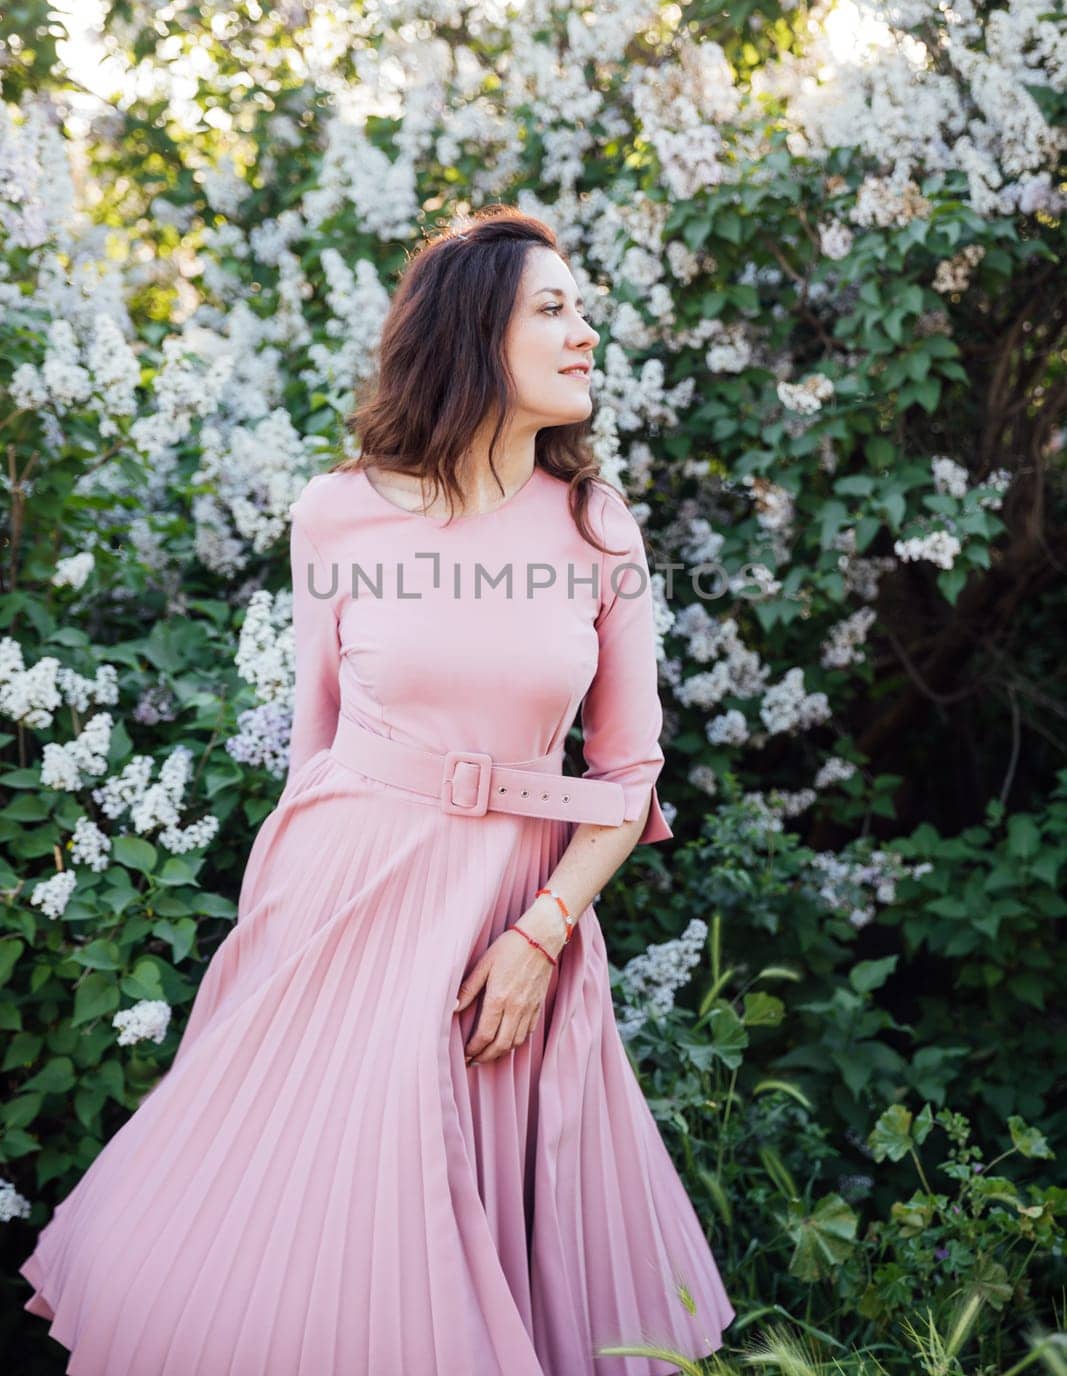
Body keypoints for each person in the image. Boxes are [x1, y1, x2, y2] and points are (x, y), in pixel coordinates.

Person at [19, 206, 735, 1374]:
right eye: (551, 308)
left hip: (510, 925)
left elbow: (628, 772)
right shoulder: (334, 510)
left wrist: (543, 932)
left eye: (581, 309)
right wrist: (280, 937)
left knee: (462, 1260)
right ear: (472, 333)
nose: (584, 332)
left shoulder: (598, 528)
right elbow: (319, 744)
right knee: (311, 1244)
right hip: (342, 901)